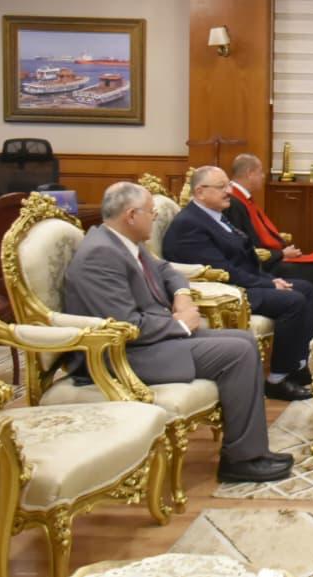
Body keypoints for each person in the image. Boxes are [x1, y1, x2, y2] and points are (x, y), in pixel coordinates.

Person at [63, 182, 293, 483]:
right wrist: (181, 324)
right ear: (131, 215)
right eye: (151, 212)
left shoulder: (122, 242)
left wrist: (182, 296)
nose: (155, 217)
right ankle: (241, 461)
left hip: (152, 340)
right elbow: (126, 326)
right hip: (122, 356)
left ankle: (249, 451)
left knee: (244, 340)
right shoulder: (100, 255)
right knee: (237, 352)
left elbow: (166, 271)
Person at [162, 166, 313, 402]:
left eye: (228, 185)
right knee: (293, 301)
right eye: (221, 187)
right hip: (226, 292)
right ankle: (278, 380)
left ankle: (297, 365)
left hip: (242, 281)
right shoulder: (190, 224)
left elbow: (243, 258)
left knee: (305, 288)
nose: (229, 191)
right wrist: (269, 285)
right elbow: (224, 270)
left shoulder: (214, 215)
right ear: (200, 192)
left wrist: (270, 280)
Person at [226, 153, 313, 325]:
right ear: (249, 173)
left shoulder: (242, 198)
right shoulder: (233, 203)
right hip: (264, 265)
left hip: (271, 257)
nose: (263, 177)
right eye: (260, 173)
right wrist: (281, 254)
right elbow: (245, 246)